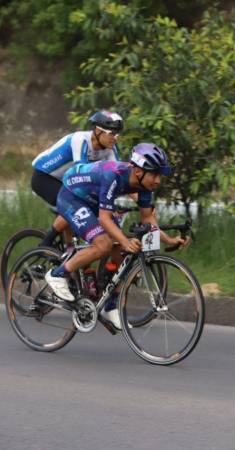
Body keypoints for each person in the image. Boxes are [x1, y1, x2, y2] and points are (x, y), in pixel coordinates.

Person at [44, 143, 187, 330]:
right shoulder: (113, 175)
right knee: (103, 244)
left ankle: (110, 306)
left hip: (93, 198)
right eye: (155, 174)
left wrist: (169, 240)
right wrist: (125, 241)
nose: (158, 180)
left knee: (122, 251)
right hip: (72, 195)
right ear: (137, 171)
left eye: (161, 174)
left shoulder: (145, 186)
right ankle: (58, 274)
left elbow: (148, 220)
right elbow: (104, 219)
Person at [31, 110, 123, 246]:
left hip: (67, 180)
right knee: (75, 204)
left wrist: (139, 198)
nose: (115, 138)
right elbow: (82, 172)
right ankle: (46, 242)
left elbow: (119, 175)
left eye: (118, 134)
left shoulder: (110, 149)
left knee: (83, 207)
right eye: (112, 133)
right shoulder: (80, 140)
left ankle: (70, 252)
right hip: (44, 177)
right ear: (98, 130)